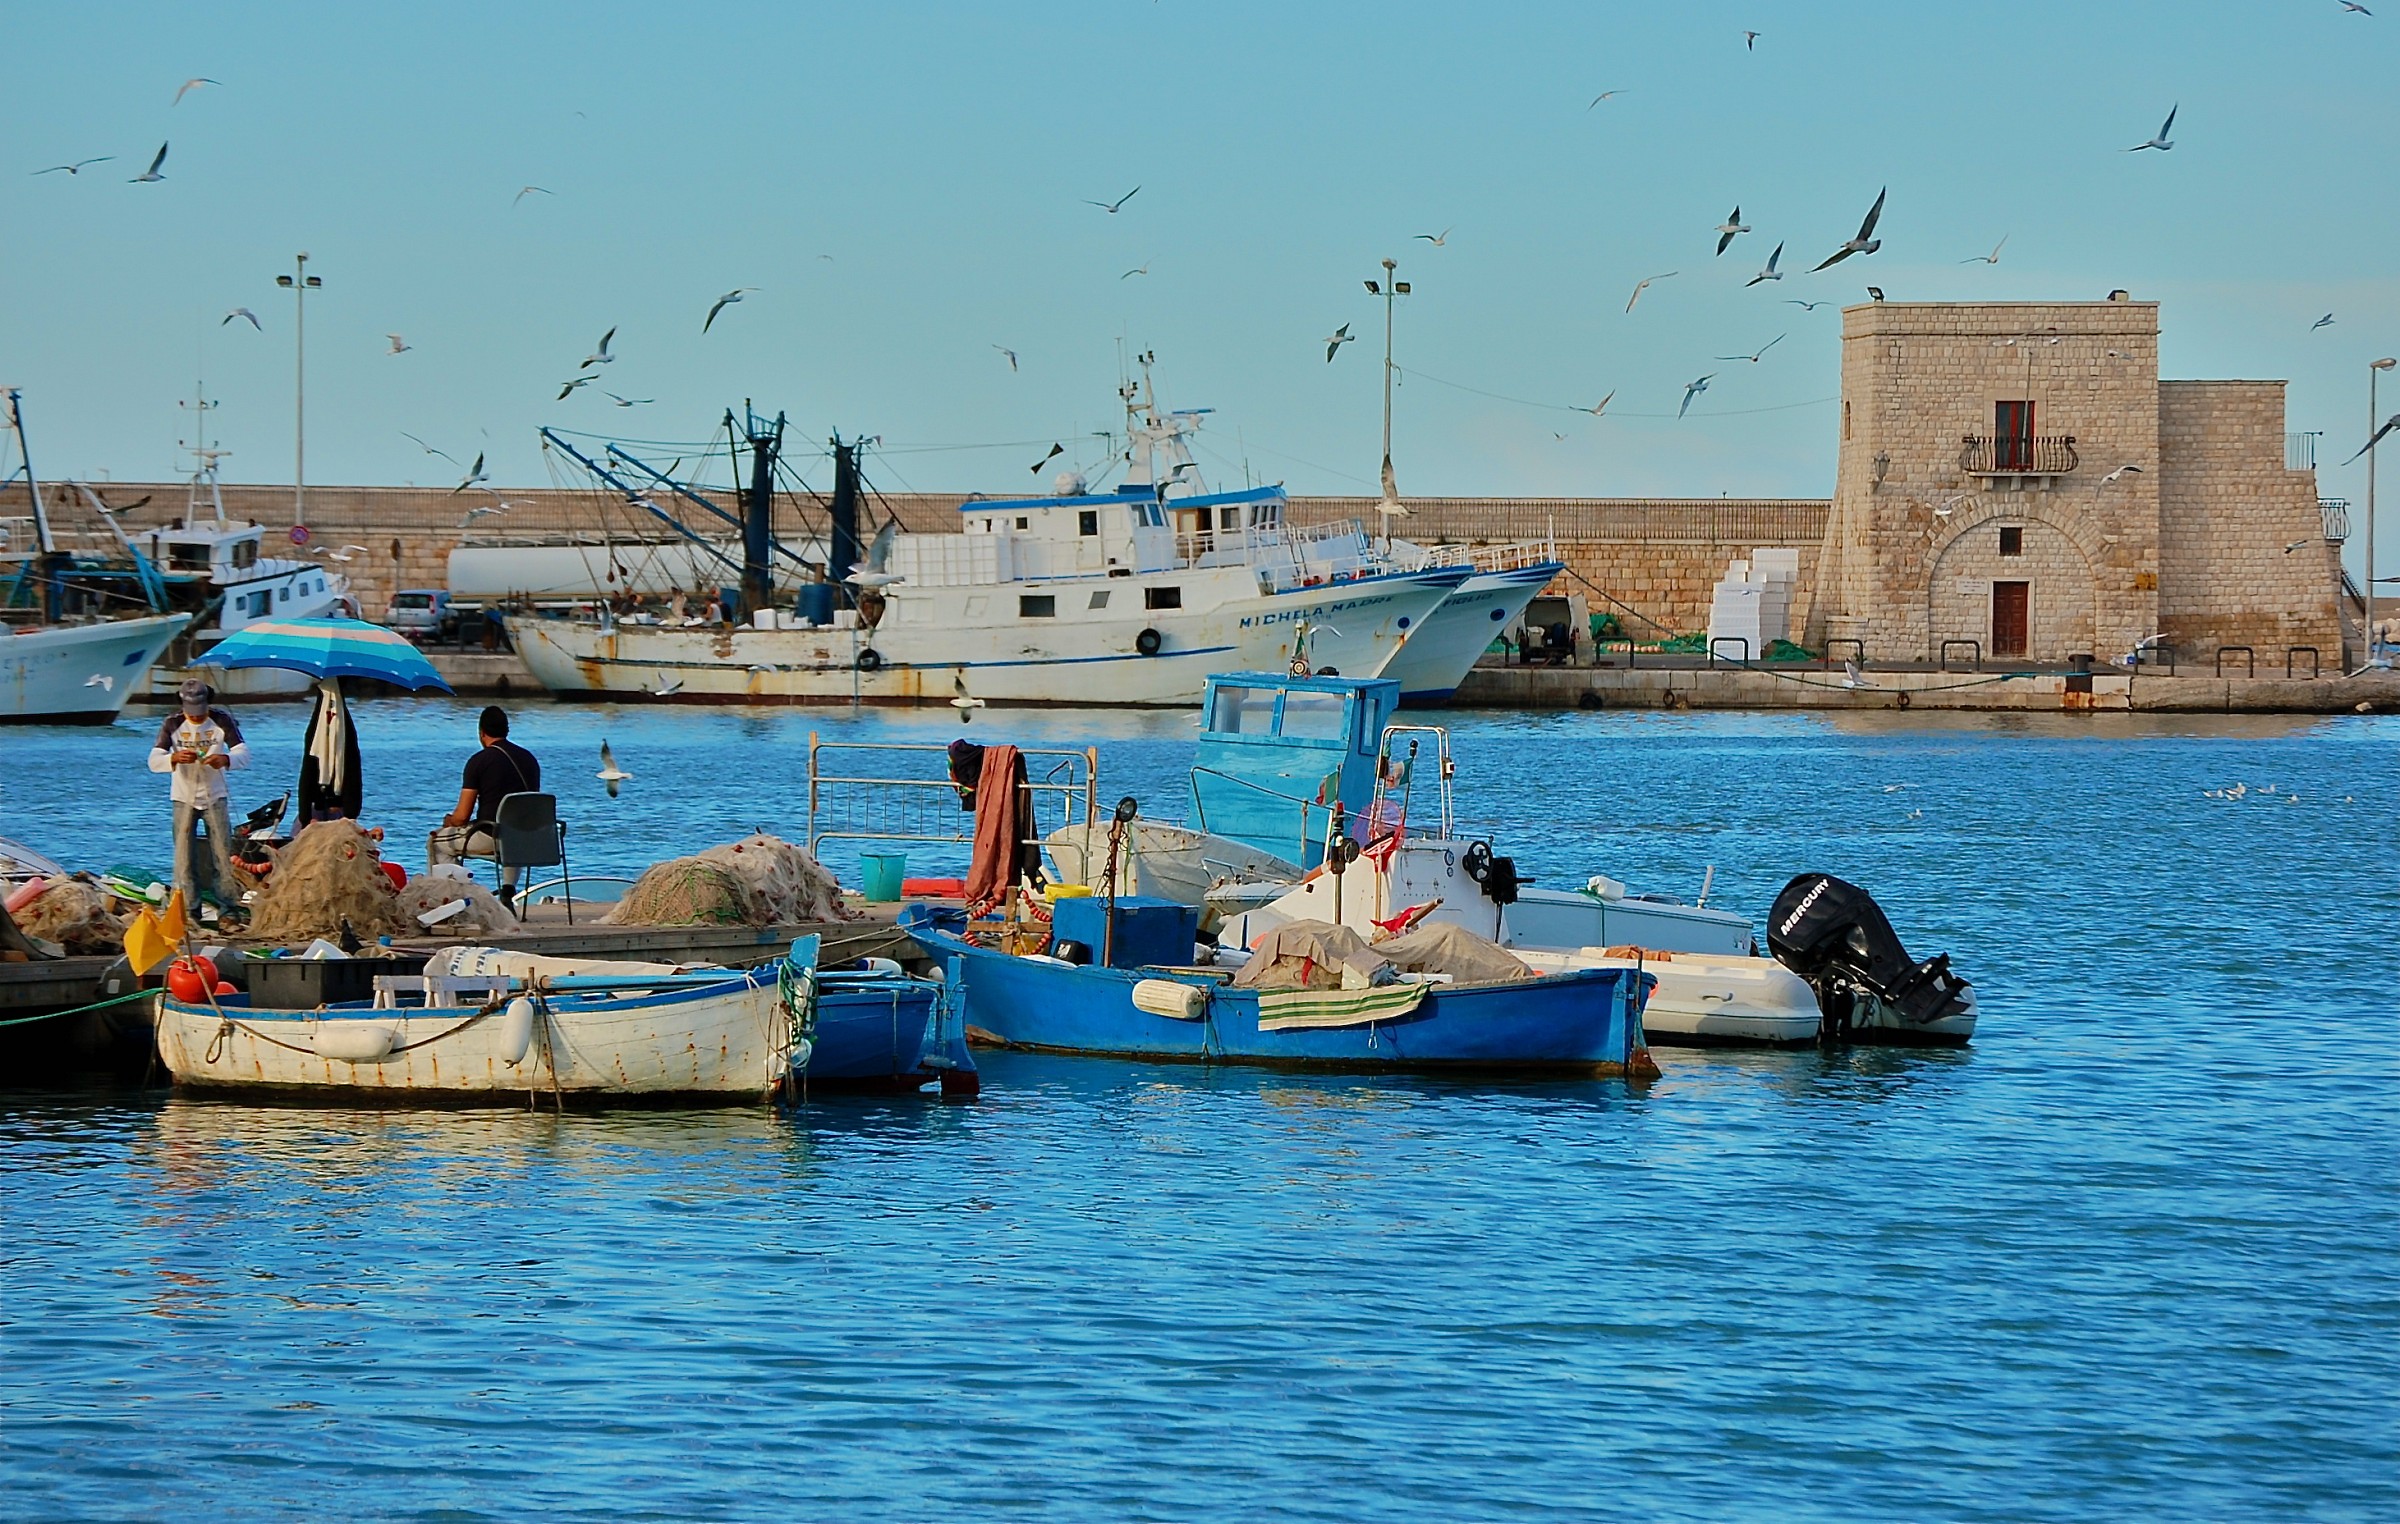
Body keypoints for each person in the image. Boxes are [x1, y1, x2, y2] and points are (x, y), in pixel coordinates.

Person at [147, 678, 250, 923]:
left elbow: (243, 753)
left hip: (215, 797)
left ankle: (228, 911)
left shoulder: (221, 720)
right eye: (191, 713)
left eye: (199, 713)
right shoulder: (172, 723)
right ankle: (190, 912)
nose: (195, 718)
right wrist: (174, 759)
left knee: (221, 856)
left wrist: (225, 760)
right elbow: (153, 760)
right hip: (183, 798)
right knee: (184, 858)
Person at [426, 705, 541, 909]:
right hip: (526, 839)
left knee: (436, 841)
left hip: (490, 836)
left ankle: (448, 902)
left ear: (481, 732)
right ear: (507, 730)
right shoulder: (530, 759)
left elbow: (462, 816)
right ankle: (507, 892)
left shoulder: (479, 761)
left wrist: (449, 821)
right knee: (513, 834)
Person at [296, 677, 363, 823]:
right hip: (319, 810)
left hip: (335, 812)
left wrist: (350, 817)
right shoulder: (325, 729)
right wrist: (306, 818)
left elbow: (351, 772)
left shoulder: (342, 730)